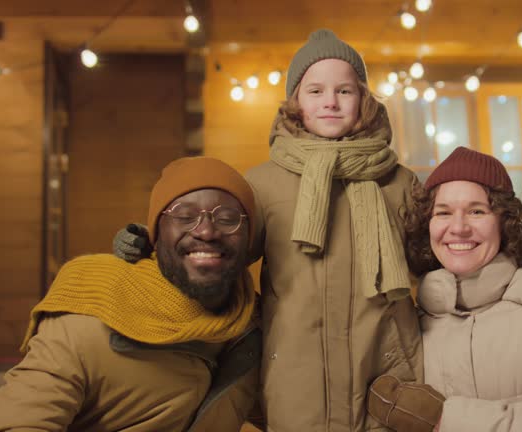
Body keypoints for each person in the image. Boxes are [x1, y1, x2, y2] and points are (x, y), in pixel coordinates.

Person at [114, 29, 423, 431]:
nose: (330, 101)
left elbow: (437, 260)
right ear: (296, 101)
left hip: (386, 371)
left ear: (363, 98)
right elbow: (216, 250)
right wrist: (152, 245)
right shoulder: (261, 185)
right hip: (295, 375)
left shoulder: (399, 183)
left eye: (344, 91)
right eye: (315, 91)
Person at [0, 157, 261, 432]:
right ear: (155, 234)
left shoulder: (253, 326)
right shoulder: (90, 317)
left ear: (250, 238)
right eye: (184, 217)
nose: (206, 231)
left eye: (228, 218)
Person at [366, 146, 522, 432]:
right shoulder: (411, 322)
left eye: (476, 211)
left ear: (504, 222)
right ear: (428, 225)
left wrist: (442, 419)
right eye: (443, 212)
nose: (458, 228)